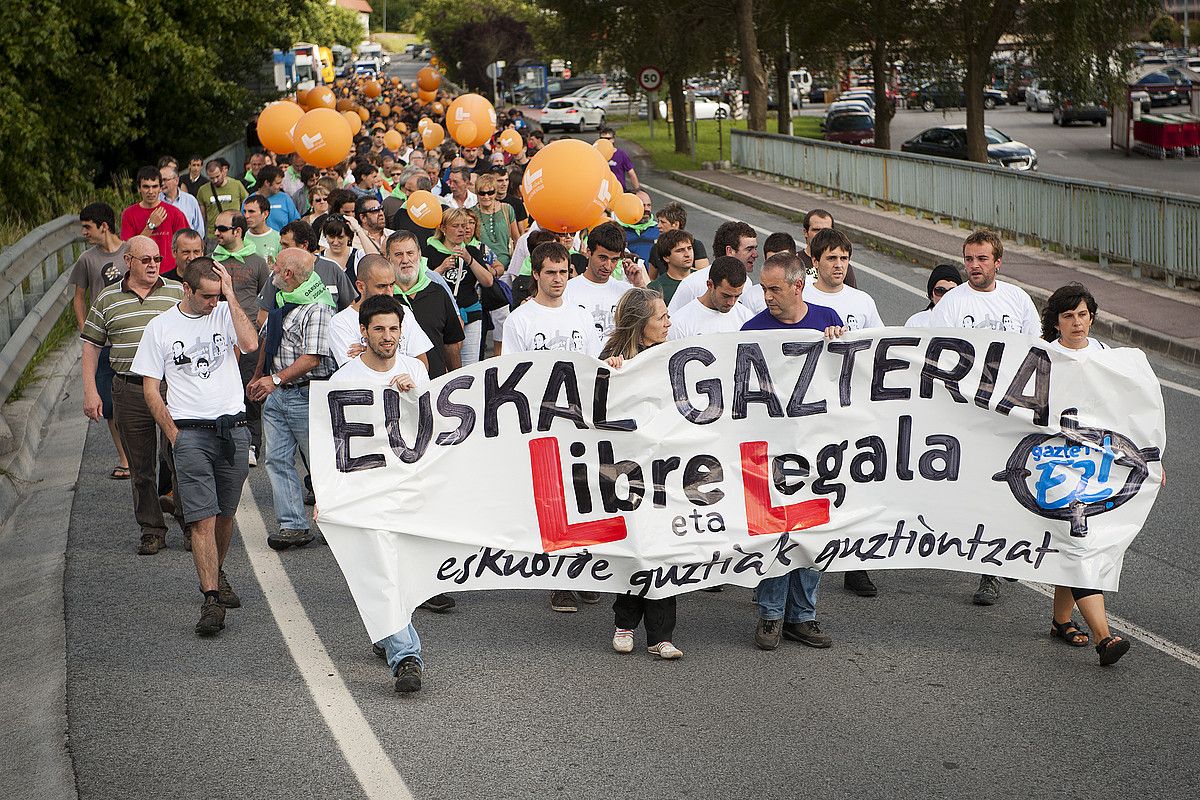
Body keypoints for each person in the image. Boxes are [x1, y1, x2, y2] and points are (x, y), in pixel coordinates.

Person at [133, 258, 258, 637]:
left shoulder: (224, 312)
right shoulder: (161, 327)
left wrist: (231, 296)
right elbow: (151, 389)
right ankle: (211, 599)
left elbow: (250, 344)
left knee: (224, 515)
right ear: (186, 289)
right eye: (206, 296)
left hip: (232, 429)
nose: (211, 303)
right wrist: (174, 435)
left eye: (216, 295)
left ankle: (217, 572)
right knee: (201, 518)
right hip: (190, 434)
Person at [740, 253, 845, 651]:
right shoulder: (752, 330)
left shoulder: (827, 320)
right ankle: (770, 615)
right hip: (769, 451)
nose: (766, 296)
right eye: (764, 288)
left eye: (774, 289)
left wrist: (842, 344)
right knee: (775, 531)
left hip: (818, 448)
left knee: (812, 532)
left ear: (798, 287)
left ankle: (803, 616)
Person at [929, 230, 1039, 606]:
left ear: (997, 263)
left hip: (1011, 413)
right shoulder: (952, 304)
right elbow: (934, 354)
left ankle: (1004, 555)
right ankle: (988, 569)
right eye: (969, 259)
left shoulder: (1018, 299)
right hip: (970, 413)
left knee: (1012, 487)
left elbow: (1037, 354)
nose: (974, 266)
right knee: (981, 490)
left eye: (981, 259)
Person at [329, 294, 431, 691]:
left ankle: (386, 628)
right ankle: (407, 656)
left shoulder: (416, 372)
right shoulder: (345, 380)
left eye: (393, 329)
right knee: (381, 566)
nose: (387, 336)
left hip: (406, 488)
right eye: (379, 329)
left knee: (400, 569)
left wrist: (412, 396)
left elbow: (431, 432)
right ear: (364, 331)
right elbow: (331, 444)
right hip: (365, 492)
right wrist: (328, 495)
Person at [503, 241, 605, 613]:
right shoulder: (521, 320)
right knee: (553, 504)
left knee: (585, 497)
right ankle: (560, 580)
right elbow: (510, 377)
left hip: (581, 424)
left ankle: (585, 572)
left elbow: (596, 365)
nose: (559, 279)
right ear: (536, 274)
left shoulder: (579, 315)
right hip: (543, 425)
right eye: (551, 272)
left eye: (564, 272)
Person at [1035, 282, 1128, 665]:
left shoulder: (1105, 356)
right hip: (1051, 465)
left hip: (1095, 464)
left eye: (1083, 315)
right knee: (1077, 542)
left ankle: (1060, 621)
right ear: (1056, 322)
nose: (1077, 323)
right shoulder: (1042, 357)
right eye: (1068, 316)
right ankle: (1104, 638)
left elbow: (1126, 410)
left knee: (1072, 543)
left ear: (1092, 317)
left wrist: (1149, 460)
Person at [80, 236, 185, 555]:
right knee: (140, 468)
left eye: (157, 259)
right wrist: (90, 390)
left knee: (182, 458)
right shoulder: (108, 298)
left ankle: (192, 525)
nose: (154, 265)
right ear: (128, 262)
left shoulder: (177, 292)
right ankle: (152, 528)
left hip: (172, 389)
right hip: (129, 387)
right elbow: (91, 346)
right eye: (146, 260)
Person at [598, 287, 681, 658]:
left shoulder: (671, 356)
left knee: (664, 547)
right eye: (660, 317)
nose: (667, 322)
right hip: (626, 471)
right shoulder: (610, 359)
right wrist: (611, 375)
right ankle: (625, 623)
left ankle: (661, 635)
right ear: (639, 323)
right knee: (634, 546)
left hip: (667, 469)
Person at [247, 248, 336, 551]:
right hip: (278, 393)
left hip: (306, 393)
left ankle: (337, 525)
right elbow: (267, 337)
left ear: (287, 274)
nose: (271, 271)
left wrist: (273, 379)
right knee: (277, 459)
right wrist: (259, 374)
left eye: (276, 267)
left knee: (320, 464)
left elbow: (312, 358)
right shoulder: (283, 298)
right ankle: (293, 526)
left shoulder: (317, 307)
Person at [70, 203, 130, 479]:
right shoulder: (86, 259)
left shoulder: (131, 251)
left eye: (87, 227)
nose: (84, 232)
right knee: (108, 403)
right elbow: (79, 297)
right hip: (103, 341)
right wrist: (86, 331)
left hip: (131, 339)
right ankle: (123, 457)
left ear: (103, 226)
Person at [212, 211, 272, 466]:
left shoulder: (257, 261)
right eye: (215, 228)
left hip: (249, 336)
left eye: (222, 228)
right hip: (217, 334)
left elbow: (266, 296)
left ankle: (251, 444)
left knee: (251, 389)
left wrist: (259, 326)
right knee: (218, 389)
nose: (216, 233)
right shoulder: (212, 259)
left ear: (237, 231)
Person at [328, 254, 432, 368]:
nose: (389, 292)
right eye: (381, 286)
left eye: (392, 285)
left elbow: (421, 365)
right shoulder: (340, 322)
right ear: (361, 287)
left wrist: (367, 352)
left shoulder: (404, 312)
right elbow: (354, 371)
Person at [422, 208, 493, 367]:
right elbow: (422, 283)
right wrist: (440, 269)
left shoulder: (472, 250)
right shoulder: (430, 251)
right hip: (443, 315)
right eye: (456, 226)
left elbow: (488, 281)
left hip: (471, 311)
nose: (462, 230)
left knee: (470, 365)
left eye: (464, 225)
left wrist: (470, 260)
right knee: (447, 365)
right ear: (443, 228)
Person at [389, 230, 465, 378]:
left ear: (419, 254)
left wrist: (456, 381)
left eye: (410, 253)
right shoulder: (384, 298)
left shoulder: (438, 292)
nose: (405, 260)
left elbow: (451, 345)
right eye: (398, 254)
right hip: (395, 386)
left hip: (435, 385)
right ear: (388, 258)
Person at [669, 221, 765, 314]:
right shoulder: (692, 284)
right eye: (749, 249)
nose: (755, 254)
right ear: (730, 250)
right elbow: (672, 321)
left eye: (755, 248)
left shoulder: (746, 282)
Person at [802, 229, 883, 331]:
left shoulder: (864, 301)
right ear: (815, 262)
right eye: (832, 258)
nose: (839, 265)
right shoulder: (801, 298)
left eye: (844, 258)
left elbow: (879, 339)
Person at [563, 222, 630, 342]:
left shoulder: (626, 291)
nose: (608, 266)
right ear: (589, 252)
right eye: (603, 258)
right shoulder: (567, 290)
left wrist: (640, 284)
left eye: (614, 260)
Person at [121, 166, 189, 274]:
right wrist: (150, 226)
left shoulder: (174, 213)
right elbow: (129, 249)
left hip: (170, 274)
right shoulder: (129, 214)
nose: (151, 191)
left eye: (155, 186)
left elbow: (187, 244)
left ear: (160, 188)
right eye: (146, 187)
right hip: (141, 274)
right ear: (139, 188)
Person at [276, 220, 356, 313]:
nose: (282, 251)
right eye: (281, 245)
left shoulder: (332, 269)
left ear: (304, 245)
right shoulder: (278, 272)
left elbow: (351, 307)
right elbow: (263, 314)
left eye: (286, 246)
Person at [667, 256, 753, 339]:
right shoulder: (680, 323)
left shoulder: (746, 317)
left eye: (737, 296)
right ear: (710, 285)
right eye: (726, 296)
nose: (731, 302)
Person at [797, 209, 858, 288]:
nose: (822, 235)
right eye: (817, 230)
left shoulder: (842, 265)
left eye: (826, 230)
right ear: (805, 232)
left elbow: (851, 294)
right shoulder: (794, 262)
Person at [473, 173, 518, 269]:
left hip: (508, 267)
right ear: (476, 193)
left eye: (490, 192)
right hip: (483, 267)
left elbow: (516, 238)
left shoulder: (507, 209)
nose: (486, 196)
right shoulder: (471, 213)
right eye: (482, 193)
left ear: (496, 192)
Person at [195, 158, 249, 237]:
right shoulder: (203, 190)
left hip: (234, 232)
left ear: (223, 172)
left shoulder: (236, 184)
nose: (215, 180)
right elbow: (202, 216)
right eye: (211, 178)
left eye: (217, 176)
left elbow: (246, 203)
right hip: (213, 234)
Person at [651, 202, 708, 274]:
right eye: (658, 221)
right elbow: (652, 278)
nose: (658, 226)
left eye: (663, 222)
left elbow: (703, 274)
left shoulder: (695, 245)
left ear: (676, 224)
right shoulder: (656, 248)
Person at [647, 228, 694, 305]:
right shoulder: (655, 289)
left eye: (689, 248)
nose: (687, 254)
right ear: (666, 257)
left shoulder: (704, 278)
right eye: (680, 250)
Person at [159, 165, 205, 235]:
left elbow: (199, 229)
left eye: (165, 180)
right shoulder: (156, 201)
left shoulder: (190, 200)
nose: (162, 183)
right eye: (160, 180)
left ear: (176, 180)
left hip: (188, 244)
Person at [253, 165, 301, 232]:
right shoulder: (250, 201)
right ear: (267, 183)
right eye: (278, 183)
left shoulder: (285, 198)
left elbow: (295, 221)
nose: (281, 186)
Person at [621, 190, 659, 264]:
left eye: (649, 205)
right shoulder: (619, 230)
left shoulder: (658, 229)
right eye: (642, 205)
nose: (647, 209)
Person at [597, 127, 639, 191]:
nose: (604, 141)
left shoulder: (621, 154)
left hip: (619, 191)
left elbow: (631, 173)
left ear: (613, 139)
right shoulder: (597, 155)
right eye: (602, 139)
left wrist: (637, 190)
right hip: (602, 192)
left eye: (607, 139)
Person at [243, 195, 281, 263]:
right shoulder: (240, 238)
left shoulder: (278, 238)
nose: (246, 216)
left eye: (251, 211)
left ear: (265, 214)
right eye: (245, 212)